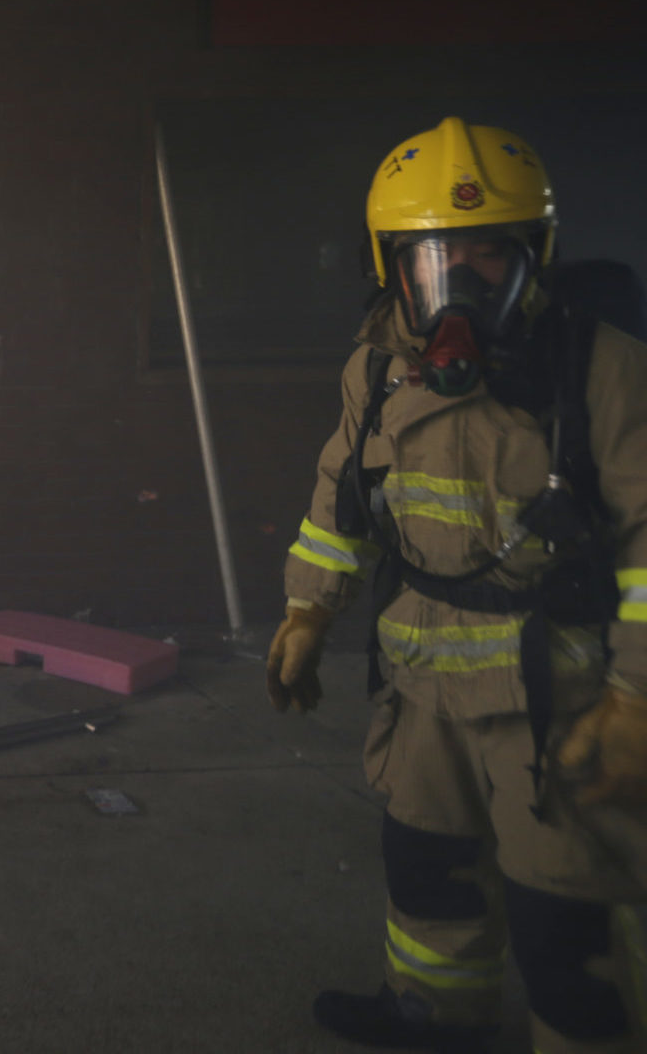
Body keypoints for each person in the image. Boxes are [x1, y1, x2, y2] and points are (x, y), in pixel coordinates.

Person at [268, 117, 647, 1053]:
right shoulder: (376, 372)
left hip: (557, 699)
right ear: (391, 267)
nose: (462, 291)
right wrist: (310, 606)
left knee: (567, 915)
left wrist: (639, 697)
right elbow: (339, 500)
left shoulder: (600, 368)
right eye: (436, 263)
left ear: (536, 260)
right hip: (422, 686)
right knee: (427, 872)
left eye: (490, 259)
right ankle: (431, 1019)